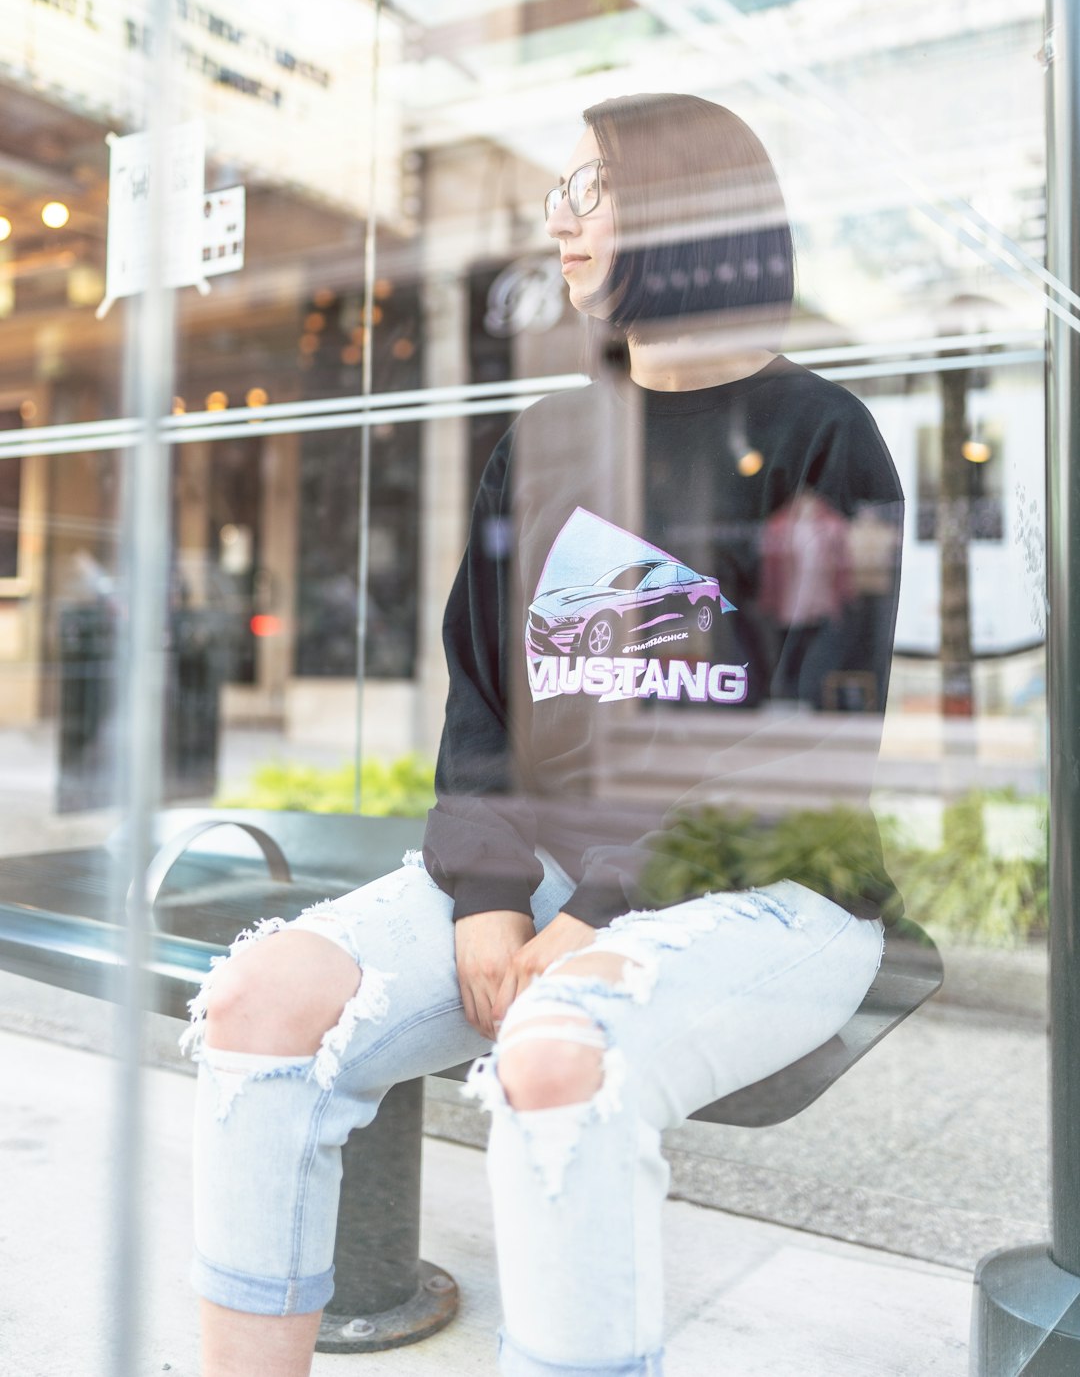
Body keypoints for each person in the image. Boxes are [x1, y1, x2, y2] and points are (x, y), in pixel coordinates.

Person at [184, 93, 904, 1377]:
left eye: (590, 190)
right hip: (554, 880)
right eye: (560, 195)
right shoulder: (549, 439)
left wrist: (602, 911)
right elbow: (483, 703)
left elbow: (805, 742)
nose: (559, 222)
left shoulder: (822, 440)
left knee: (555, 1053)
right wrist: (487, 891)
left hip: (773, 889)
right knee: (259, 1000)